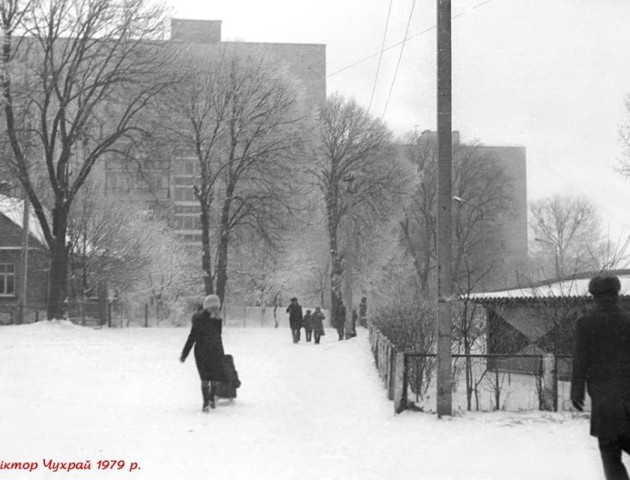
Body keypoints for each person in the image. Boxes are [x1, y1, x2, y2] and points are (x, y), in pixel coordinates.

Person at [571, 274, 630, 480]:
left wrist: (576, 390)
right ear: (617, 294)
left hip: (604, 400)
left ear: (594, 296)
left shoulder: (586, 324)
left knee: (610, 455)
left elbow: (580, 361)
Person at [180, 294, 226, 412]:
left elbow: (218, 337)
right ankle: (205, 402)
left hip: (216, 351)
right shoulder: (199, 319)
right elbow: (192, 337)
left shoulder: (218, 318)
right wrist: (185, 354)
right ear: (207, 307)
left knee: (215, 377)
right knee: (205, 378)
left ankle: (212, 398)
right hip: (202, 352)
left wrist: (221, 352)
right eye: (212, 307)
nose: (215, 309)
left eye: (217, 307)